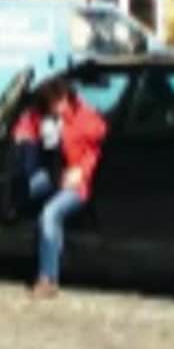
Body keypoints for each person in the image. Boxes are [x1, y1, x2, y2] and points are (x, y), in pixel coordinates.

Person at [11, 76, 106, 299]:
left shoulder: (85, 117)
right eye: (52, 102)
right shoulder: (43, 116)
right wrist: (24, 138)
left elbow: (96, 147)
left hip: (77, 184)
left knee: (49, 214)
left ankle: (47, 279)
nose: (57, 106)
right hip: (54, 178)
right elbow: (24, 126)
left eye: (60, 100)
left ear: (68, 97)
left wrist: (82, 171)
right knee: (23, 191)